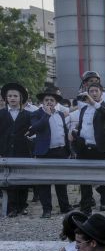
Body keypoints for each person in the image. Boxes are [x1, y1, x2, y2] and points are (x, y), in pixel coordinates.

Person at [71, 83, 105, 216]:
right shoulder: (84, 109)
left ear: (101, 92)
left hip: (101, 149)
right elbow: (83, 127)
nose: (94, 93)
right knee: (84, 182)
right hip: (85, 149)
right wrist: (74, 132)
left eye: (96, 91)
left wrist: (94, 103)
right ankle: (86, 209)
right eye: (91, 91)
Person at [29, 86, 72, 218]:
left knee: (61, 181)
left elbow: (64, 132)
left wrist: (67, 150)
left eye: (52, 100)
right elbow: (35, 128)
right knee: (44, 183)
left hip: (60, 152)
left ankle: (64, 207)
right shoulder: (36, 114)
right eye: (46, 100)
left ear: (56, 102)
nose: (49, 102)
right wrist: (46, 115)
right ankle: (47, 209)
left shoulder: (59, 114)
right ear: (42, 102)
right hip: (44, 152)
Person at [1, 82, 33, 216]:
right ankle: (12, 207)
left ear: (21, 98)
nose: (12, 98)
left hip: (23, 151)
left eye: (15, 96)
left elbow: (32, 132)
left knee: (23, 178)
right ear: (6, 98)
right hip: (5, 151)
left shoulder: (28, 115)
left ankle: (23, 205)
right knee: (9, 179)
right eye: (10, 96)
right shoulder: (1, 114)